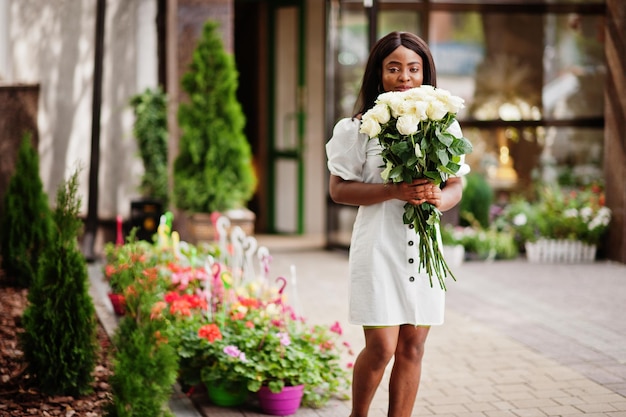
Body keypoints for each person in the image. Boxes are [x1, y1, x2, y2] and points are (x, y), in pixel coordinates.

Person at [325, 31, 470, 417]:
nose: (404, 77)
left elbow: (455, 184)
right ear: (379, 73)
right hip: (378, 247)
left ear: (424, 73)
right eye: (394, 68)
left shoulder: (443, 124)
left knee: (413, 347)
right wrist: (393, 191)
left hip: (423, 249)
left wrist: (441, 198)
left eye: (413, 68)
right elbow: (338, 190)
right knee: (382, 348)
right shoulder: (357, 128)